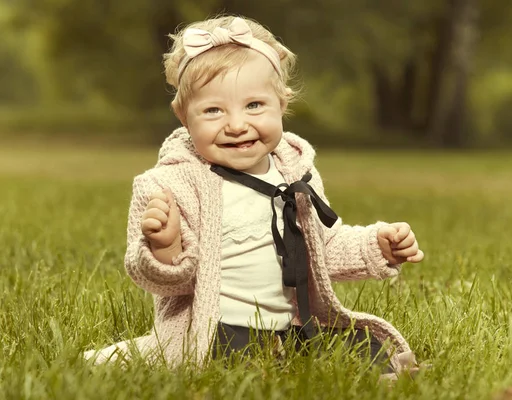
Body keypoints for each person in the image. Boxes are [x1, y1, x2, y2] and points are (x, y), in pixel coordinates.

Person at [84, 15, 424, 377]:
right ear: (183, 117)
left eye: (254, 106)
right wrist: (165, 248)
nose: (236, 124)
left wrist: (377, 246)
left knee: (366, 349)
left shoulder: (295, 175)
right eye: (213, 110)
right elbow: (158, 280)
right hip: (216, 329)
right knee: (233, 364)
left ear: (282, 103)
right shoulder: (169, 185)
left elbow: (323, 249)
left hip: (295, 328)